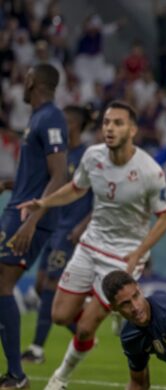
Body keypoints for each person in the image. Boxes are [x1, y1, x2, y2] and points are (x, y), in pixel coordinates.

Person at [18, 100, 166, 390]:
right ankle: (109, 307)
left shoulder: (150, 171)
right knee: (60, 315)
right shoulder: (93, 157)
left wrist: (138, 253)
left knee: (87, 326)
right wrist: (43, 203)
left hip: (122, 256)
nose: (110, 128)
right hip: (90, 246)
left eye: (118, 123)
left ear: (133, 130)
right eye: (106, 123)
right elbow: (76, 189)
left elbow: (165, 218)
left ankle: (60, 378)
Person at [0, 63, 68, 390]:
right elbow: (42, 174)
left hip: (27, 217)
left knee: (2, 283)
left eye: (23, 78)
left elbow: (60, 174)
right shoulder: (38, 118)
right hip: (19, 208)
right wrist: (14, 183)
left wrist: (33, 220)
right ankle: (14, 372)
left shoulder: (52, 117)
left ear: (31, 81)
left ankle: (17, 374)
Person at [21, 105, 94, 364]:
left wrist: (83, 226)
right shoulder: (60, 154)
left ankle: (36, 350)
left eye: (64, 121)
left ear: (73, 125)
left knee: (51, 285)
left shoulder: (88, 155)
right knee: (41, 287)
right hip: (53, 229)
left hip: (70, 232)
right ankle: (84, 333)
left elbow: (99, 199)